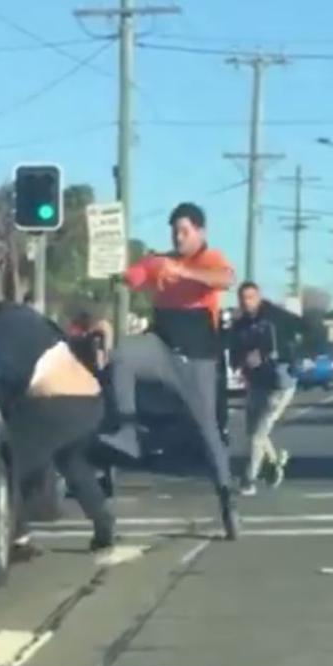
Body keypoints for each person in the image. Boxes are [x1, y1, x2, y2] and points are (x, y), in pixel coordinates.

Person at [104, 202, 240, 540]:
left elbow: (226, 279)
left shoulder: (209, 259)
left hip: (197, 358)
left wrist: (183, 272)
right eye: (174, 232)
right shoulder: (160, 262)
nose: (178, 238)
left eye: (185, 231)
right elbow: (132, 276)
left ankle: (226, 497)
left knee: (207, 431)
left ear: (200, 232)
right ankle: (128, 431)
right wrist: (124, 275)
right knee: (123, 354)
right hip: (162, 347)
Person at [0, 303, 115, 553]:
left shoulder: (4, 332)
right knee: (74, 464)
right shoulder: (35, 326)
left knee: (10, 467)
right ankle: (104, 524)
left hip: (55, 404)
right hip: (90, 401)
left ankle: (17, 537)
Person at [230, 281, 299, 495]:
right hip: (257, 383)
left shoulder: (274, 318)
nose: (246, 301)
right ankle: (274, 463)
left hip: (279, 383)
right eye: (243, 297)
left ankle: (248, 481)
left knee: (258, 434)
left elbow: (290, 342)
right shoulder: (240, 324)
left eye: (250, 297)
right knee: (253, 432)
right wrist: (241, 361)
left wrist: (266, 355)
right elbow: (234, 351)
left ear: (258, 297)